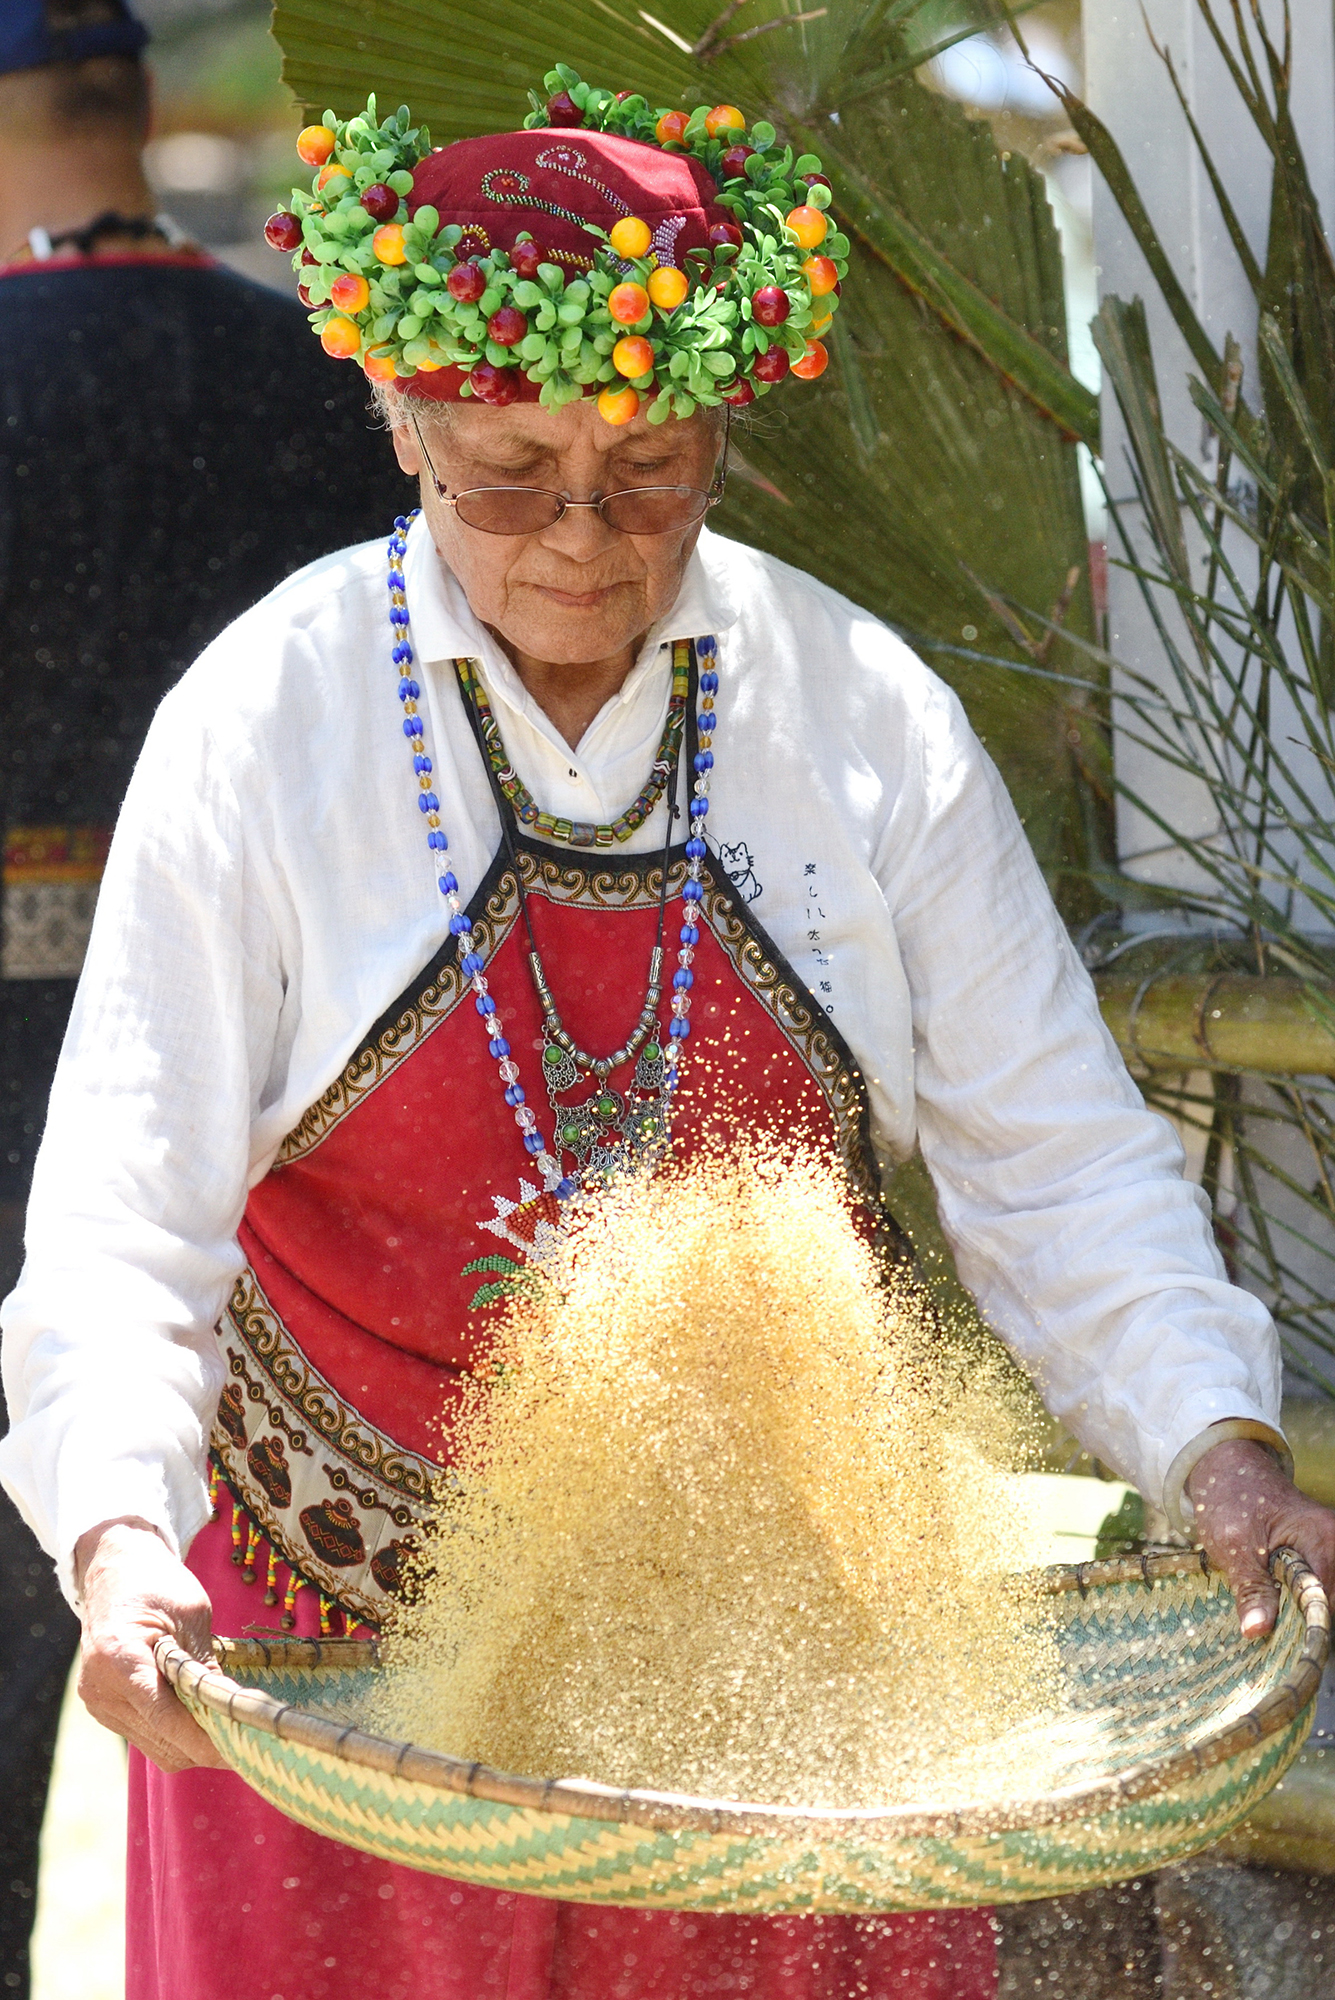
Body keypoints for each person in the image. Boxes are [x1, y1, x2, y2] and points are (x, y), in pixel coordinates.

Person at [2, 60, 1332, 2000]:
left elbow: (1054, 1159)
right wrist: (120, 1532)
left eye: (646, 470)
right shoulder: (265, 722)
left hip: (779, 1679)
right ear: (399, 420)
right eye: (505, 471)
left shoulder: (854, 713)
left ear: (721, 425)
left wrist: (1215, 1444)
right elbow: (125, 1224)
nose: (578, 532)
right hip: (342, 1681)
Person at [0, 3, 410, 1990]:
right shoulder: (332, 380)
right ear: (141, 101)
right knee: (275, 1659)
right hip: (291, 1116)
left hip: (20, 1069)